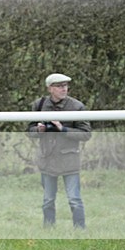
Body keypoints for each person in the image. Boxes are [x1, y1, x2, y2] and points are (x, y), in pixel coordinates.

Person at [26, 73, 92, 229]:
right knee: (48, 199)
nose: (64, 89)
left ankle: (80, 230)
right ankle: (49, 230)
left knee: (74, 199)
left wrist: (63, 129)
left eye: (66, 86)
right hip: (47, 159)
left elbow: (86, 134)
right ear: (50, 88)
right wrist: (39, 130)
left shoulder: (77, 107)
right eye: (59, 86)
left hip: (69, 160)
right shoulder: (39, 105)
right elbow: (29, 131)